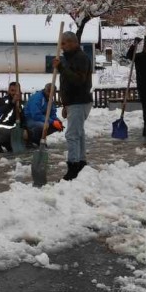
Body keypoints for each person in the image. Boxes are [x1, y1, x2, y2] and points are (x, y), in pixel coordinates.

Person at [57, 32, 93, 181]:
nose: (61, 47)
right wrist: (65, 105)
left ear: (73, 43)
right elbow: (66, 82)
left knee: (72, 134)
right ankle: (81, 162)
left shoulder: (80, 58)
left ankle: (73, 166)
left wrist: (61, 68)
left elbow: (78, 80)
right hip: (73, 102)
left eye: (63, 43)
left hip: (79, 101)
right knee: (79, 133)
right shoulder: (69, 58)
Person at [0, 81, 26, 152]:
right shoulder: (4, 101)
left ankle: (8, 145)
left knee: (25, 133)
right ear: (8, 91)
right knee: (10, 134)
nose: (14, 93)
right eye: (12, 90)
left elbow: (23, 118)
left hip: (10, 129)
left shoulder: (21, 104)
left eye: (16, 91)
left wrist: (25, 129)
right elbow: (5, 110)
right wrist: (13, 102)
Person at [23, 83, 62, 147]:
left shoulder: (49, 99)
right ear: (46, 90)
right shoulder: (37, 98)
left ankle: (39, 137)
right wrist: (52, 121)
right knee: (43, 125)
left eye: (52, 93)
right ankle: (33, 139)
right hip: (29, 119)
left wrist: (56, 121)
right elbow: (36, 115)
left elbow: (52, 113)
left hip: (42, 118)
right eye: (49, 92)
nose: (51, 94)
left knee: (57, 125)